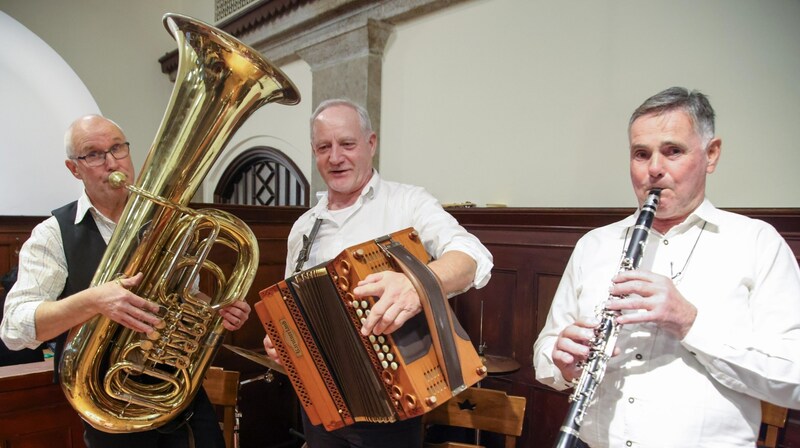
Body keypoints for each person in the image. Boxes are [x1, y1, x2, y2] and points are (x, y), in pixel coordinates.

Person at [533, 87, 800, 447]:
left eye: (673, 151)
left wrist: (689, 322)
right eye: (641, 154)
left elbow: (794, 381)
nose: (654, 169)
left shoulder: (757, 244)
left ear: (712, 155)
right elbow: (546, 350)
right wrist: (561, 363)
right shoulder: (593, 246)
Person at [0, 115, 251, 448]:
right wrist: (94, 301)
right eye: (93, 154)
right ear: (74, 168)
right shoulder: (52, 235)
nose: (111, 162)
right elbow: (15, 331)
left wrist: (215, 310)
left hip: (180, 400)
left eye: (117, 148)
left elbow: (183, 299)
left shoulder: (166, 223)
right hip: (112, 414)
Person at [263, 99, 493, 447]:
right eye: (324, 147)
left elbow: (474, 257)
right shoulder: (304, 227)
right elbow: (296, 308)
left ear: (371, 143)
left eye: (347, 144)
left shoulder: (408, 203)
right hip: (322, 403)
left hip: (394, 404)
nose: (335, 157)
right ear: (314, 152)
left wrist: (418, 284)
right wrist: (286, 339)